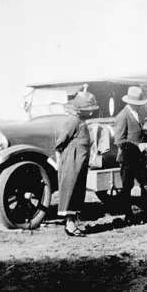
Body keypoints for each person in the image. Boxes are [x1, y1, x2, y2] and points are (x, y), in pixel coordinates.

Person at [54, 90, 99, 237]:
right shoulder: (73, 121)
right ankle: (69, 224)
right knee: (71, 189)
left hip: (79, 162)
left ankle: (73, 221)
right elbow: (60, 141)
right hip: (72, 161)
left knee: (78, 189)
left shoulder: (81, 122)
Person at [114, 86, 147, 223]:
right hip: (127, 158)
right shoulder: (122, 116)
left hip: (139, 158)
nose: (139, 106)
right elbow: (119, 140)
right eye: (137, 104)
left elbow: (140, 134)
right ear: (130, 102)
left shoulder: (138, 114)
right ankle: (129, 216)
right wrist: (139, 146)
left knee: (146, 184)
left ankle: (145, 214)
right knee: (127, 187)